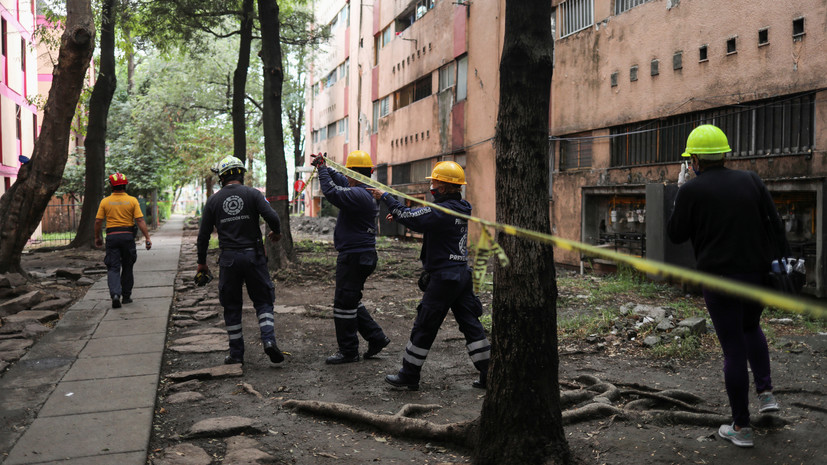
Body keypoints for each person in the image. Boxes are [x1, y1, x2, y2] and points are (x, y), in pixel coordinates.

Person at [667, 124, 784, 448]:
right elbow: (775, 225)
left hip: (719, 279)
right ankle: (766, 395)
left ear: (695, 161)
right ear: (724, 155)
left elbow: (675, 234)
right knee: (751, 329)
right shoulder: (751, 180)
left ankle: (742, 428)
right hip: (757, 275)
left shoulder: (691, 190)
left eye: (690, 160)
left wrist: (681, 192)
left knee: (733, 348)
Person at [368, 161, 490, 391]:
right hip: (461, 275)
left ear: (443, 188)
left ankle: (409, 374)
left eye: (434, 182)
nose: (431, 186)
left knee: (425, 324)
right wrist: (404, 215)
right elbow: (420, 218)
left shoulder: (441, 211)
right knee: (471, 324)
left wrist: (385, 197)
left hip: (444, 278)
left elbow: (415, 215)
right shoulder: (461, 207)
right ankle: (489, 372)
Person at [196, 156, 285, 365]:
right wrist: (277, 232)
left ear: (222, 177)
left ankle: (236, 354)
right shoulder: (253, 194)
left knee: (232, 306)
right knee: (263, 301)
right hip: (254, 256)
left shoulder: (214, 201)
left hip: (229, 260)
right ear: (241, 174)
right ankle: (269, 341)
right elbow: (272, 216)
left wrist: (202, 263)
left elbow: (203, 236)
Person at [311, 151, 390, 364]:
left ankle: (348, 351)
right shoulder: (364, 190)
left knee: (343, 304)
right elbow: (339, 180)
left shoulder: (359, 195)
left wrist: (321, 170)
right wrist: (326, 167)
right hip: (360, 255)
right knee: (351, 300)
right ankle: (376, 337)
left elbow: (331, 191)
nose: (345, 176)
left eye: (347, 172)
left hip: (354, 257)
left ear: (353, 173)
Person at [95, 172, 152, 308]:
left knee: (113, 267)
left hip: (112, 237)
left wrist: (97, 237)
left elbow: (98, 221)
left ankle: (115, 294)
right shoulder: (132, 201)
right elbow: (139, 220)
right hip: (127, 237)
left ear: (111, 186)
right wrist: (147, 238)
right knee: (127, 266)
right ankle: (126, 297)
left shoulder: (105, 201)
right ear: (125, 185)